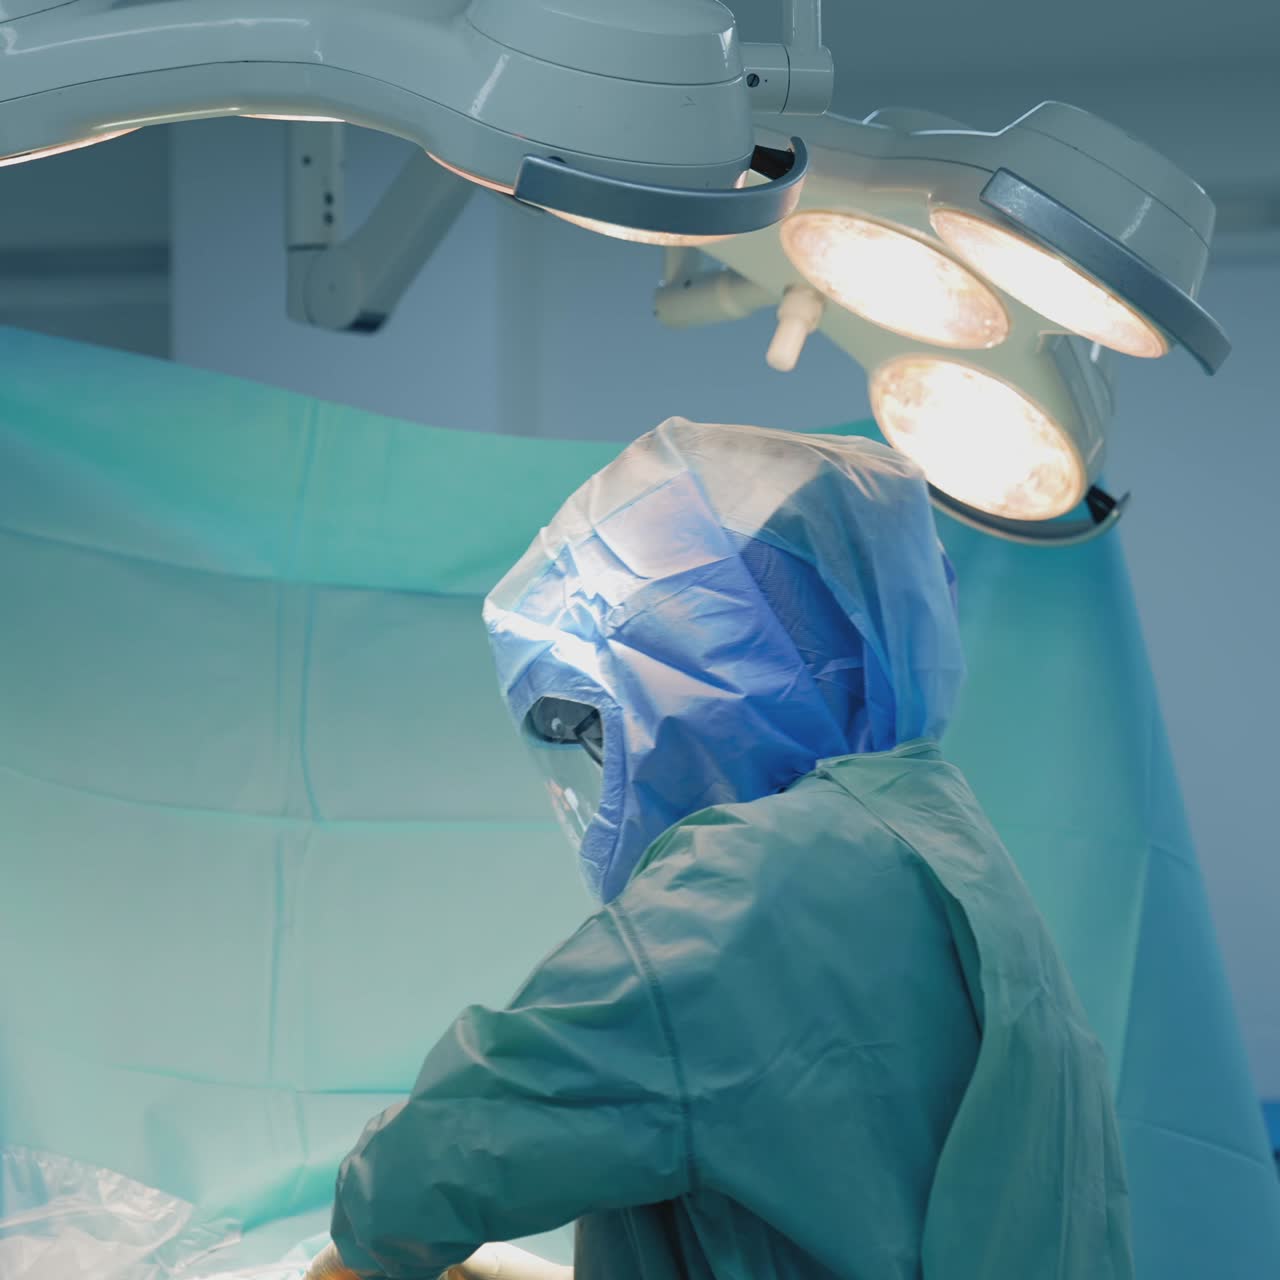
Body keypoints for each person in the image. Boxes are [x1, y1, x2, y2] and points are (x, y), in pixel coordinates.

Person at [306, 419, 1133, 1280]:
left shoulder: (754, 882)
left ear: (705, 673)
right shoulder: (949, 848)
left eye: (604, 718)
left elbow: (450, 1149)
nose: (606, 757)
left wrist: (352, 1254)